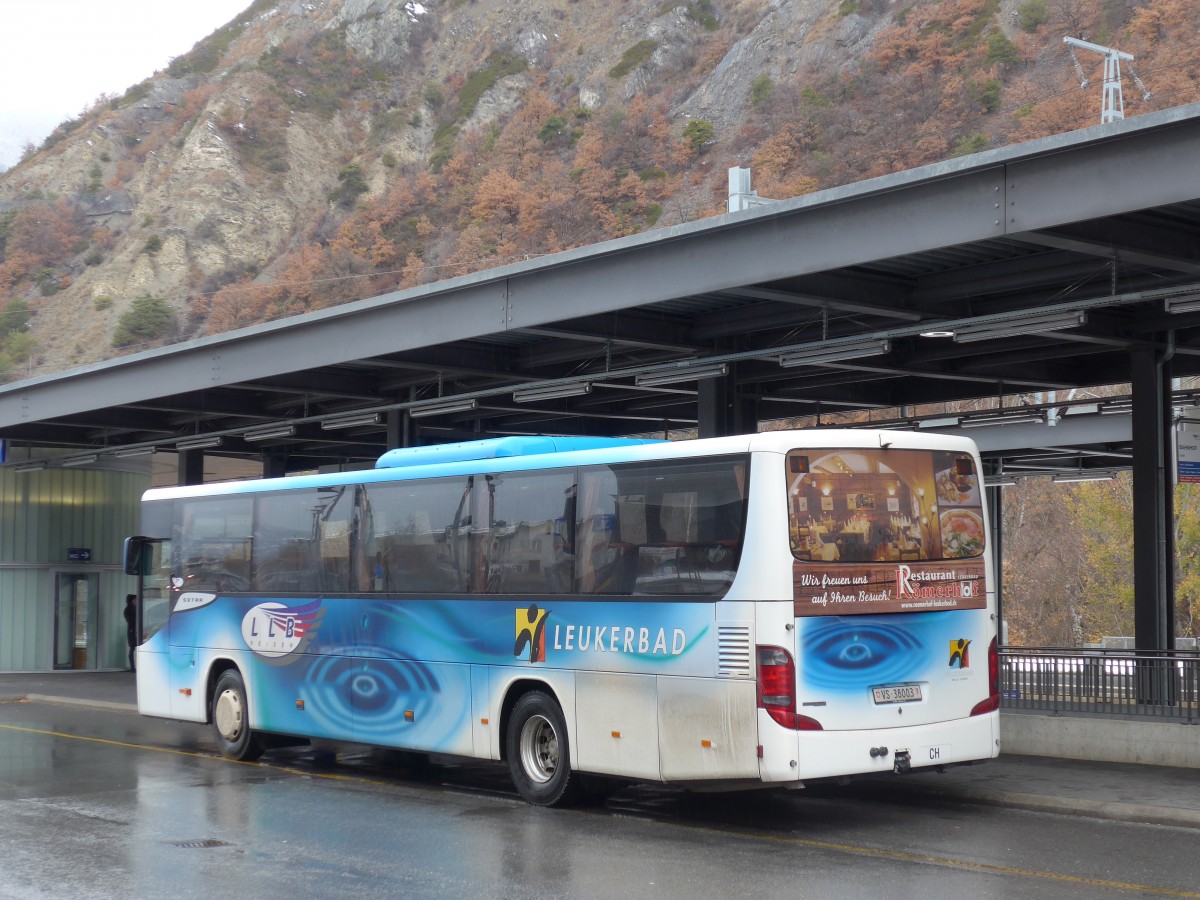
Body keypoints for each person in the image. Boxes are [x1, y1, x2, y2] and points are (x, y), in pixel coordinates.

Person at [123, 594, 137, 672]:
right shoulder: (127, 610)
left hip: (136, 630)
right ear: (132, 601)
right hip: (132, 631)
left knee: (135, 648)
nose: (136, 601)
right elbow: (130, 620)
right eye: (135, 600)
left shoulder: (136, 608)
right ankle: (132, 667)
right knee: (132, 647)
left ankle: (135, 666)